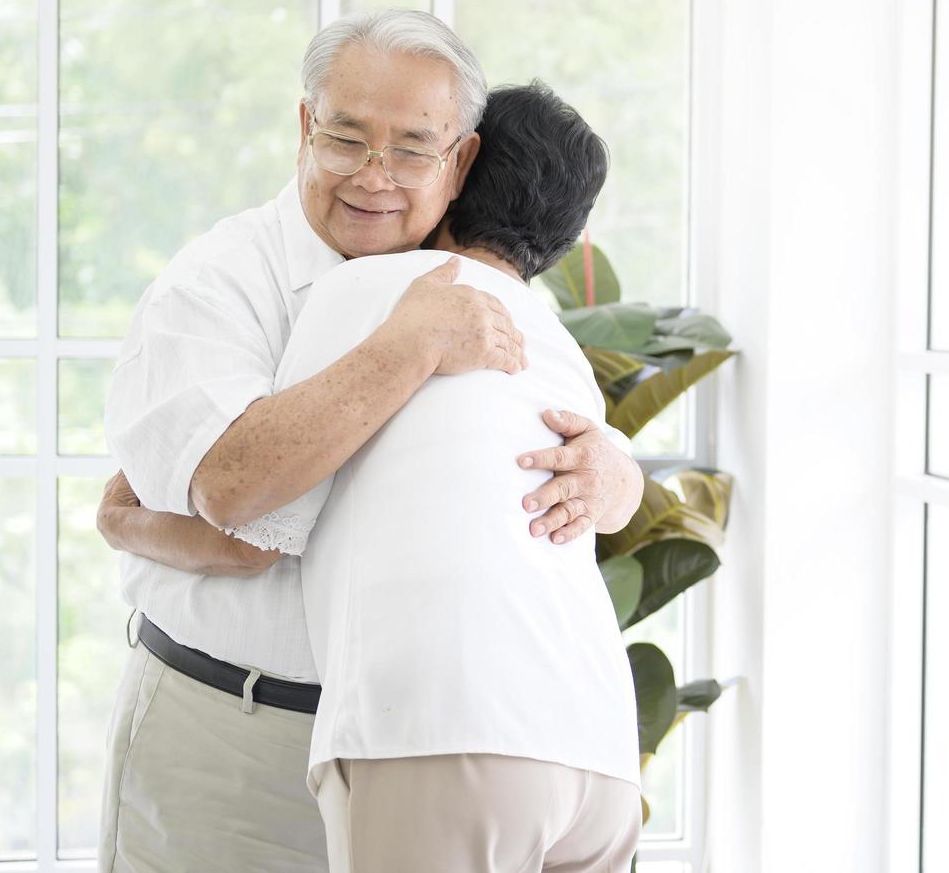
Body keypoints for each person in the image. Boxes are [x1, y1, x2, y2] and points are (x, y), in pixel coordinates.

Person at [96, 10, 644, 873]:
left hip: (408, 745)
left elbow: (532, 460)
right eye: (347, 139)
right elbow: (240, 510)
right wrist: (404, 346)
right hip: (233, 734)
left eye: (414, 148)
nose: (375, 177)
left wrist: (615, 479)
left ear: (461, 161)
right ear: (306, 128)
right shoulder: (217, 284)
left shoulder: (469, 287)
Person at [224, 81, 640, 872]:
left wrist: (127, 517)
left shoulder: (372, 292)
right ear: (571, 232)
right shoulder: (563, 348)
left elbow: (259, 520)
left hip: (446, 729)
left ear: (456, 170)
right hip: (597, 748)